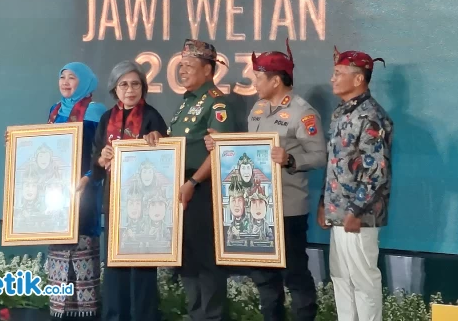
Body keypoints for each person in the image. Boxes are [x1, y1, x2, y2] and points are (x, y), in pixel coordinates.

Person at [205, 39, 327, 321]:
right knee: (263, 277)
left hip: (288, 207)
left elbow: (320, 155)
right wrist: (222, 145)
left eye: (258, 77)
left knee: (294, 273)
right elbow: (250, 151)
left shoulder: (303, 112)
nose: (254, 82)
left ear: (276, 80)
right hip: (257, 208)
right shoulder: (257, 110)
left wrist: (291, 160)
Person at [144, 39, 237, 321]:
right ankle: (196, 314)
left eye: (189, 66)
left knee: (207, 261)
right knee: (187, 261)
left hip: (202, 190)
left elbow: (220, 151)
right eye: (180, 65)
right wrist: (160, 139)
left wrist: (193, 182)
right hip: (181, 188)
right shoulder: (186, 103)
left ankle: (211, 316)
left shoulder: (217, 102)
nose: (181, 71)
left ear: (208, 70)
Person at [87, 60, 167, 321]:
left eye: (135, 84)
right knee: (114, 266)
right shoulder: (106, 118)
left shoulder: (152, 117)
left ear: (143, 87)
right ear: (114, 89)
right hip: (115, 200)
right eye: (124, 84)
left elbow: (166, 162)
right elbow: (95, 162)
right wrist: (102, 159)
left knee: (142, 266)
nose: (130, 90)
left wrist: (156, 144)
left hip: (145, 204)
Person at [317, 46, 393, 321]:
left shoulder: (371, 116)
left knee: (363, 280)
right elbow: (334, 164)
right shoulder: (341, 114)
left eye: (338, 73)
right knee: (340, 276)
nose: (332, 79)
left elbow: (377, 171)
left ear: (358, 79)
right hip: (340, 211)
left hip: (360, 215)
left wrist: (356, 210)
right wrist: (325, 203)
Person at [46, 62, 107, 320]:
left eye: (72, 77)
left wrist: (88, 178)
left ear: (85, 82)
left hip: (85, 191)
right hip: (58, 194)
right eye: (62, 77)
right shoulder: (55, 111)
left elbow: (97, 152)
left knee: (82, 251)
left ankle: (86, 312)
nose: (66, 82)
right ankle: (60, 311)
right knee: (59, 251)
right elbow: (45, 150)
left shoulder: (95, 111)